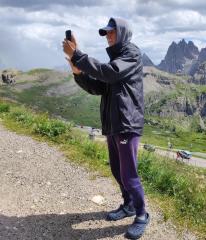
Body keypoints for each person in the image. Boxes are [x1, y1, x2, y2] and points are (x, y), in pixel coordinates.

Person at [63, 17, 149, 239]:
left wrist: (78, 56)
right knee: (116, 169)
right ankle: (128, 205)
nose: (108, 36)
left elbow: (109, 73)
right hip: (113, 124)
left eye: (111, 32)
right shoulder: (117, 60)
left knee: (129, 174)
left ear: (122, 33)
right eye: (106, 33)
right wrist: (77, 72)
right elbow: (97, 86)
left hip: (127, 123)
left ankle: (141, 214)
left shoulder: (131, 54)